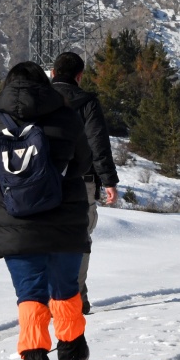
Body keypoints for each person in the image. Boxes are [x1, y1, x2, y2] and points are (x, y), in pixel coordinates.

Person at [0, 60, 92, 360]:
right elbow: (83, 162)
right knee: (65, 288)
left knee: (29, 292)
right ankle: (70, 352)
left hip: (16, 220)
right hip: (64, 217)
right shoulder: (66, 116)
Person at [51, 51, 120, 315]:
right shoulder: (87, 102)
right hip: (82, 180)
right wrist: (109, 180)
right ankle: (76, 298)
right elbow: (98, 143)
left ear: (53, 73)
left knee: (46, 236)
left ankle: (49, 297)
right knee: (80, 238)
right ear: (79, 76)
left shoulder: (38, 99)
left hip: (44, 180)